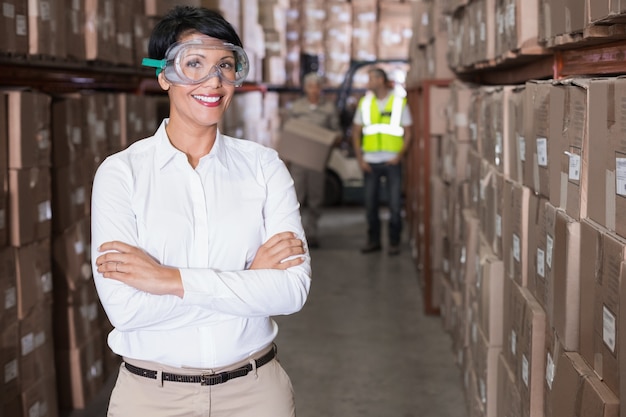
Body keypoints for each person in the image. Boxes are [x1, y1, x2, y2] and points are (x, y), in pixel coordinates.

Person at [90, 6, 311, 417]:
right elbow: (127, 309)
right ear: (163, 75)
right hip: (151, 396)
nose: (214, 81)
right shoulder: (121, 174)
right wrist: (248, 282)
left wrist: (166, 279)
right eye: (194, 64)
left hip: (255, 393)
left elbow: (291, 291)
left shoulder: (264, 167)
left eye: (226, 66)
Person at [352, 67, 413, 256]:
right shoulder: (365, 102)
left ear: (380, 80)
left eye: (371, 79)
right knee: (371, 206)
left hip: (392, 161)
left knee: (395, 205)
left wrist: (399, 156)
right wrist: (360, 159)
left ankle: (394, 243)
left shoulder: (399, 102)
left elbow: (409, 132)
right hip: (370, 162)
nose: (368, 83)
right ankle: (374, 242)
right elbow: (356, 132)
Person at [285, 72, 340, 249]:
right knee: (297, 196)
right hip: (299, 158)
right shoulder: (297, 107)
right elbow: (288, 130)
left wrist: (330, 138)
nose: (313, 90)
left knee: (316, 197)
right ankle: (296, 233)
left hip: (317, 159)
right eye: (310, 87)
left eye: (316, 86)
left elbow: (337, 132)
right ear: (305, 88)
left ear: (321, 89)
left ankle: (313, 232)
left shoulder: (329, 108)